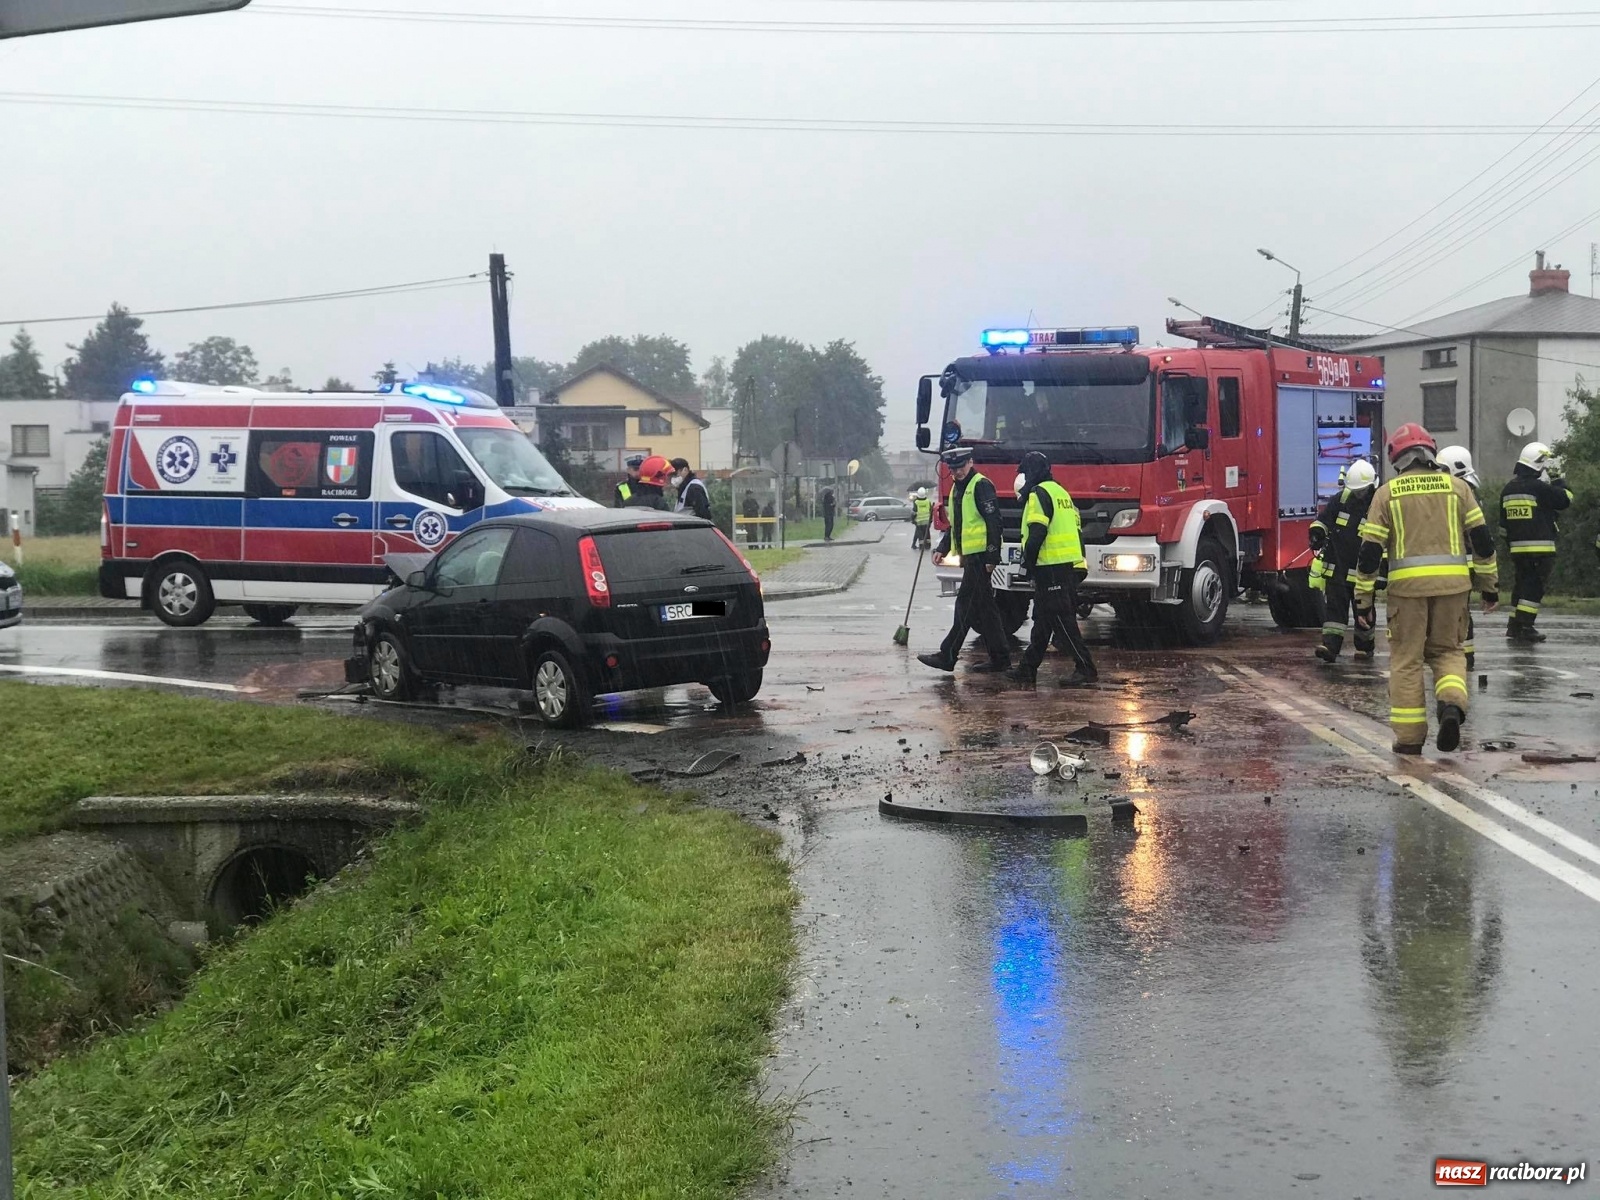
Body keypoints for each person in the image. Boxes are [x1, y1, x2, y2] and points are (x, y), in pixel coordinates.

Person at [1353, 424, 1498, 755]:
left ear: (1397, 459)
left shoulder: (1386, 495)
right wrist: (1489, 587)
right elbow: (1483, 542)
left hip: (1407, 593)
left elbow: (1369, 554)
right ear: (1431, 452)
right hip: (1453, 589)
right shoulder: (1459, 489)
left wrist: (1363, 601)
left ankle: (1409, 739)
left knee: (1407, 661)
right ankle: (1451, 705)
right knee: (1448, 652)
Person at [917, 446, 1010, 674]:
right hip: (970, 557)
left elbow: (993, 522)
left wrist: (992, 556)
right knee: (986, 610)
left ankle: (948, 654)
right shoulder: (959, 489)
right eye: (953, 469)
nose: (957, 472)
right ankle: (1000, 658)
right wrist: (943, 547)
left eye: (960, 467)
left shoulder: (981, 485)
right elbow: (957, 525)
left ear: (970, 462)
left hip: (980, 558)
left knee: (965, 606)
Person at [1008, 451, 1096, 687]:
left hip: (1051, 567)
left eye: (1024, 473)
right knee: (1043, 621)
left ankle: (1085, 668)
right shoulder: (1060, 491)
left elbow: (1037, 533)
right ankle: (1027, 669)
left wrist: (1026, 566)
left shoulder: (1039, 494)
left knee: (1062, 620)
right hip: (1066, 565)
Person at [1500, 441, 1572, 644]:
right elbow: (1565, 500)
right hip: (1541, 550)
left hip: (1517, 551)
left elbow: (1502, 526)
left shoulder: (1507, 490)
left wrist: (1511, 545)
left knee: (1521, 585)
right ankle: (1525, 626)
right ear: (1538, 464)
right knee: (1534, 588)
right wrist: (1558, 480)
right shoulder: (1539, 488)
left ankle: (1514, 625)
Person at [1308, 458, 1379, 664]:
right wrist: (1316, 533)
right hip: (1337, 567)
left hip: (1362, 572)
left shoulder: (1378, 505)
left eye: (1361, 490)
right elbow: (1324, 520)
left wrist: (1381, 574)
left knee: (1364, 611)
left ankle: (1365, 647)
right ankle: (1330, 647)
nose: (1358, 494)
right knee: (1334, 611)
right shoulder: (1341, 499)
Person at [1437, 445, 1482, 668]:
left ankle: (1462, 656)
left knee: (1457, 613)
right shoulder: (1464, 491)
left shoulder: (1462, 492)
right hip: (1459, 564)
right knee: (1459, 612)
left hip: (1458, 563)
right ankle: (1463, 656)